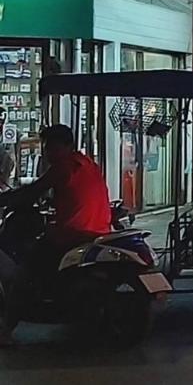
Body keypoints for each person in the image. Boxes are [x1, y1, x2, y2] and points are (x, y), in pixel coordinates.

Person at [1, 125, 112, 345]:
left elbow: (33, 191)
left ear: (67, 146)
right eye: (47, 147)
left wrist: (5, 200)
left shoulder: (64, 167)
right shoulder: (88, 163)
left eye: (53, 147)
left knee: (26, 272)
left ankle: (5, 329)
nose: (49, 152)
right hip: (98, 232)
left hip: (72, 236)